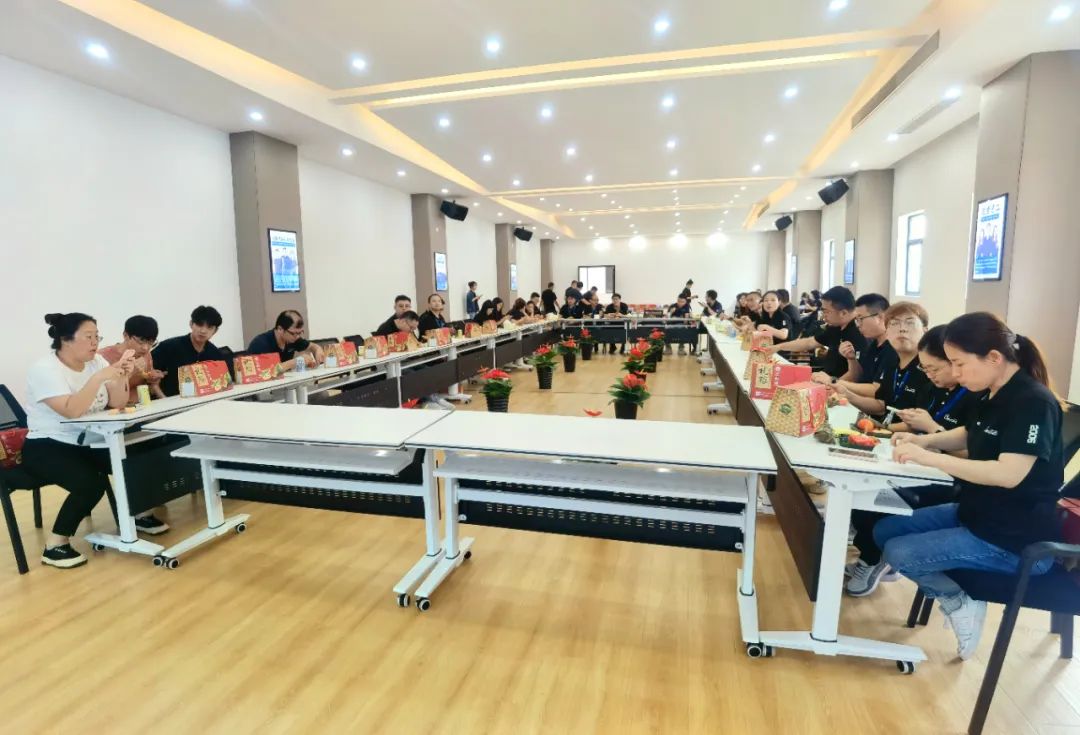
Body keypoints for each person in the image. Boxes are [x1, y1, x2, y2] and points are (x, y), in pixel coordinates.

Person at [876, 312, 1065, 659]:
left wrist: (931, 458)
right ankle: (955, 592)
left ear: (993, 358)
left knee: (900, 552)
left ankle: (959, 600)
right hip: (976, 511)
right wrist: (925, 441)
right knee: (885, 530)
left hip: (1014, 538)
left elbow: (1008, 474)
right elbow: (970, 432)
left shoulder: (1033, 402)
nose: (956, 373)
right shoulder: (989, 391)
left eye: (959, 364)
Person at [21, 314, 136, 568]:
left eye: (97, 336)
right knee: (91, 484)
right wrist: (98, 378)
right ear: (66, 339)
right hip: (46, 445)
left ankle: (138, 516)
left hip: (88, 440)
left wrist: (121, 376)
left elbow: (118, 402)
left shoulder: (97, 362)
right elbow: (72, 411)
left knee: (132, 459)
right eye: (88, 337)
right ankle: (55, 545)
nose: (95, 342)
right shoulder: (44, 369)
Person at [834, 301, 929, 423]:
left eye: (910, 323)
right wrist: (847, 394)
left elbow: (923, 422)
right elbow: (881, 406)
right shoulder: (892, 364)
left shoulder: (929, 369)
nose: (902, 329)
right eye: (894, 323)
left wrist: (882, 428)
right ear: (887, 332)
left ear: (925, 331)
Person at [766, 286, 864, 381]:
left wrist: (830, 384)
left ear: (843, 313)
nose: (823, 317)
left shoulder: (860, 332)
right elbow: (809, 343)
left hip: (837, 386)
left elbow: (857, 375)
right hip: (825, 379)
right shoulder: (836, 327)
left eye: (826, 312)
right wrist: (779, 347)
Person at [829, 294, 897, 399]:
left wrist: (835, 382)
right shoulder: (874, 344)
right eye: (856, 320)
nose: (858, 325)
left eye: (861, 319)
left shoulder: (893, 348)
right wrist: (851, 359)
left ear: (880, 317)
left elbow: (876, 390)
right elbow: (859, 377)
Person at [152, 305, 226, 397]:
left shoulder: (215, 353)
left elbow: (221, 384)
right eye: (199, 325)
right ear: (191, 324)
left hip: (205, 401)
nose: (203, 331)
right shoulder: (168, 347)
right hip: (169, 400)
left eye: (209, 327)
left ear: (215, 331)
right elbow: (148, 374)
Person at [98, 315, 165, 403]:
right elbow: (100, 395)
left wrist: (153, 380)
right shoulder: (103, 357)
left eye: (151, 343)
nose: (145, 348)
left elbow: (148, 387)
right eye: (141, 341)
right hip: (114, 408)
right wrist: (130, 373)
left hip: (143, 405)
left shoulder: (146, 355)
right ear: (126, 335)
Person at [247, 310, 323, 372]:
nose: (297, 337)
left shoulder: (293, 339)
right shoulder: (261, 343)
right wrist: (294, 362)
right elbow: (266, 372)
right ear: (280, 329)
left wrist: (317, 350)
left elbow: (313, 346)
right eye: (293, 333)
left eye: (300, 332)